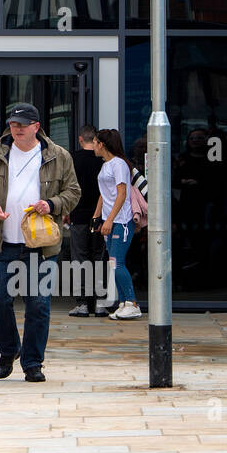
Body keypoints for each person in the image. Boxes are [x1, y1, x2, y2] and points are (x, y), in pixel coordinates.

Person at [0, 103, 80, 383]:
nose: (16, 129)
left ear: (36, 126)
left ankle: (32, 362)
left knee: (38, 305)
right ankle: (9, 350)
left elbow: (73, 191)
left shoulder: (59, 156)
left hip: (40, 247)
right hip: (2, 242)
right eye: (13, 124)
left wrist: (52, 203)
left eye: (22, 124)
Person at [91, 128, 140, 320]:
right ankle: (123, 303)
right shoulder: (106, 165)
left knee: (117, 262)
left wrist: (110, 219)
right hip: (109, 220)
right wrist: (97, 217)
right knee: (114, 263)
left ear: (102, 144)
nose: (93, 145)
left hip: (121, 221)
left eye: (94, 142)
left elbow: (122, 194)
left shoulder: (119, 164)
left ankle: (132, 303)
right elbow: (104, 194)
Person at [68, 125, 108, 317]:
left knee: (79, 259)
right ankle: (101, 302)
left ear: (80, 139)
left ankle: (83, 303)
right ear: (97, 141)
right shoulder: (104, 160)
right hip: (101, 217)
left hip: (78, 216)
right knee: (99, 257)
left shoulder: (72, 160)